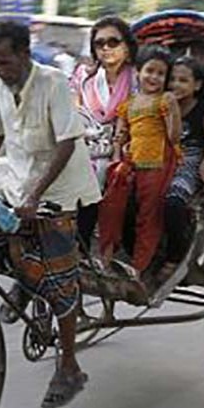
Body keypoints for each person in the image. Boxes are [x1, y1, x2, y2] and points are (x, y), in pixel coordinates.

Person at [0, 21, 101, 408]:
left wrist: (37, 195)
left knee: (61, 282)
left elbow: (65, 143)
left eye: (5, 61)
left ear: (25, 54)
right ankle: (25, 284)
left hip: (61, 191)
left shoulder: (54, 83)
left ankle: (70, 367)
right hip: (21, 183)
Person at [97, 45, 181, 281]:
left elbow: (174, 137)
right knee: (112, 202)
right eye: (150, 71)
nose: (154, 77)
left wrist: (173, 111)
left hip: (159, 165)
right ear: (138, 73)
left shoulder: (165, 100)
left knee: (148, 215)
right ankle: (107, 253)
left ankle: (140, 265)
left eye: (160, 74)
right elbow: (121, 135)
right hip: (132, 163)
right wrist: (117, 155)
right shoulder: (129, 103)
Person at [69, 16, 138, 251]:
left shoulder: (139, 78)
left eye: (113, 42)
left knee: (105, 181)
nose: (106, 48)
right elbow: (71, 111)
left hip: (125, 149)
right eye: (100, 44)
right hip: (84, 145)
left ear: (127, 45)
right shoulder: (84, 76)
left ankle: (88, 247)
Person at [161, 56, 204, 281]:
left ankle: (176, 256)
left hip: (190, 159)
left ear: (197, 85)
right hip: (163, 157)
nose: (176, 85)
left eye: (183, 80)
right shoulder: (162, 103)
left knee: (173, 202)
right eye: (173, 79)